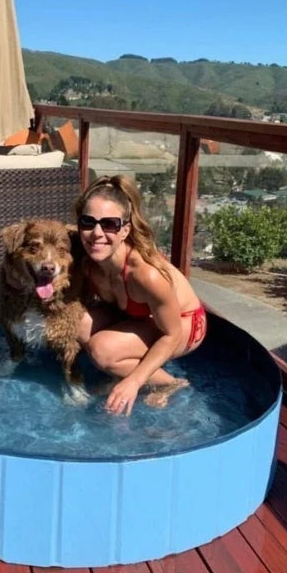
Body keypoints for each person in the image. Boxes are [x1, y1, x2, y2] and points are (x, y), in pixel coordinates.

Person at [75, 174, 206, 416]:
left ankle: (169, 383)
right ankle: (121, 371)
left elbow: (171, 333)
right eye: (88, 222)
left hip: (183, 324)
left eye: (109, 224)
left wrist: (133, 382)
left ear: (125, 230)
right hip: (142, 317)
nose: (96, 233)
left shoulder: (146, 275)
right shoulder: (89, 263)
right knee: (79, 324)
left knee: (102, 350)